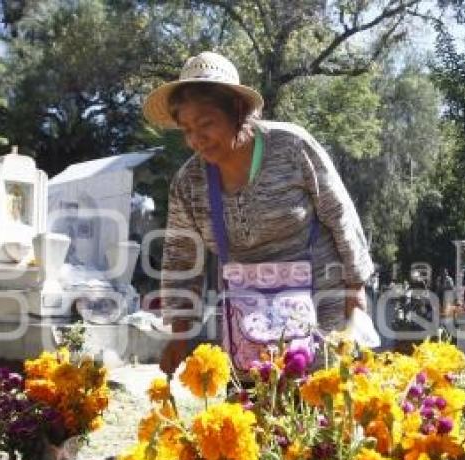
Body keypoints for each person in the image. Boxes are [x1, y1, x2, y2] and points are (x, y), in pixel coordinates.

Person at [144, 52, 374, 374]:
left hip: (323, 310)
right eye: (186, 130)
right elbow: (182, 259)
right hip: (247, 324)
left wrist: (356, 291)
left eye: (206, 124)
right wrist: (180, 334)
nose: (196, 139)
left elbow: (340, 216)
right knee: (251, 412)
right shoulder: (189, 183)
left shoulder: (291, 147)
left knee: (318, 410)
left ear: (237, 110)